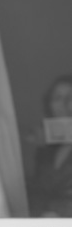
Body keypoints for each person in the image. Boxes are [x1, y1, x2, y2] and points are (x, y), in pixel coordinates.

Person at [29, 75, 72, 217]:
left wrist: (57, 211)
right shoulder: (45, 149)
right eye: (57, 98)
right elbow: (37, 190)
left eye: (71, 97)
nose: (65, 104)